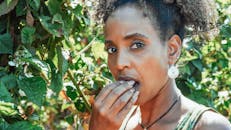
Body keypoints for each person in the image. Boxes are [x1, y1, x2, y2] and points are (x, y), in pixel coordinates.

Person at [89, 0, 231, 130]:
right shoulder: (113, 122)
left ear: (172, 50)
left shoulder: (209, 126)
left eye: (137, 45)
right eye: (112, 49)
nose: (119, 63)